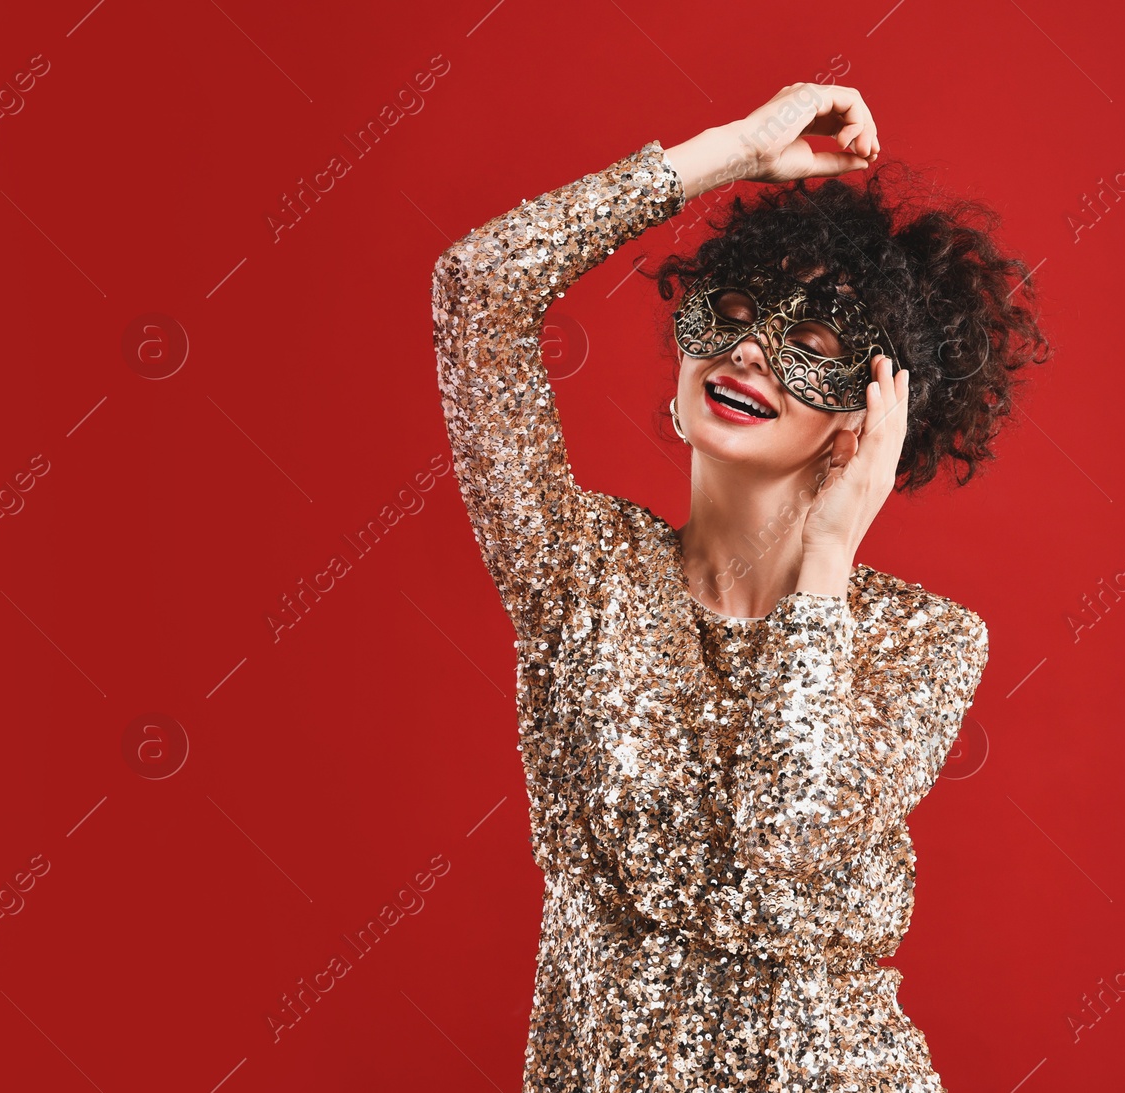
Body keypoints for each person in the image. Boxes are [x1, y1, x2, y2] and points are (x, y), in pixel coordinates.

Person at [431, 83, 1048, 1092]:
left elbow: (787, 833)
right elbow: (476, 290)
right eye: (735, 310)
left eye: (812, 349)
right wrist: (727, 153)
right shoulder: (580, 567)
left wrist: (828, 560)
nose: (753, 348)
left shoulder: (920, 637)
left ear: (862, 427)